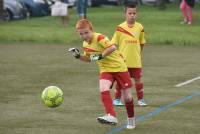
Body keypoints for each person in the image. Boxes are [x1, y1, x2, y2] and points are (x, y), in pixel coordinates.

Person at [68, 19, 136, 129]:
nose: (84, 36)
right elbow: (90, 58)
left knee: (127, 97)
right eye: (81, 34)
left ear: (91, 30)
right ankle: (111, 115)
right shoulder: (85, 44)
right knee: (103, 87)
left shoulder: (99, 37)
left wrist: (100, 56)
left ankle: (131, 119)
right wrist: (78, 56)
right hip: (105, 70)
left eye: (86, 32)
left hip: (119, 68)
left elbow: (113, 47)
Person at [111, 3, 147, 106]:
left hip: (135, 60)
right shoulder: (120, 28)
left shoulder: (140, 27)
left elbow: (142, 42)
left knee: (138, 80)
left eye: (134, 13)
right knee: (120, 80)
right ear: (125, 14)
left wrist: (139, 53)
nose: (132, 15)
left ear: (137, 14)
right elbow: (113, 43)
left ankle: (141, 99)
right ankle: (117, 99)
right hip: (123, 61)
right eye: (130, 13)